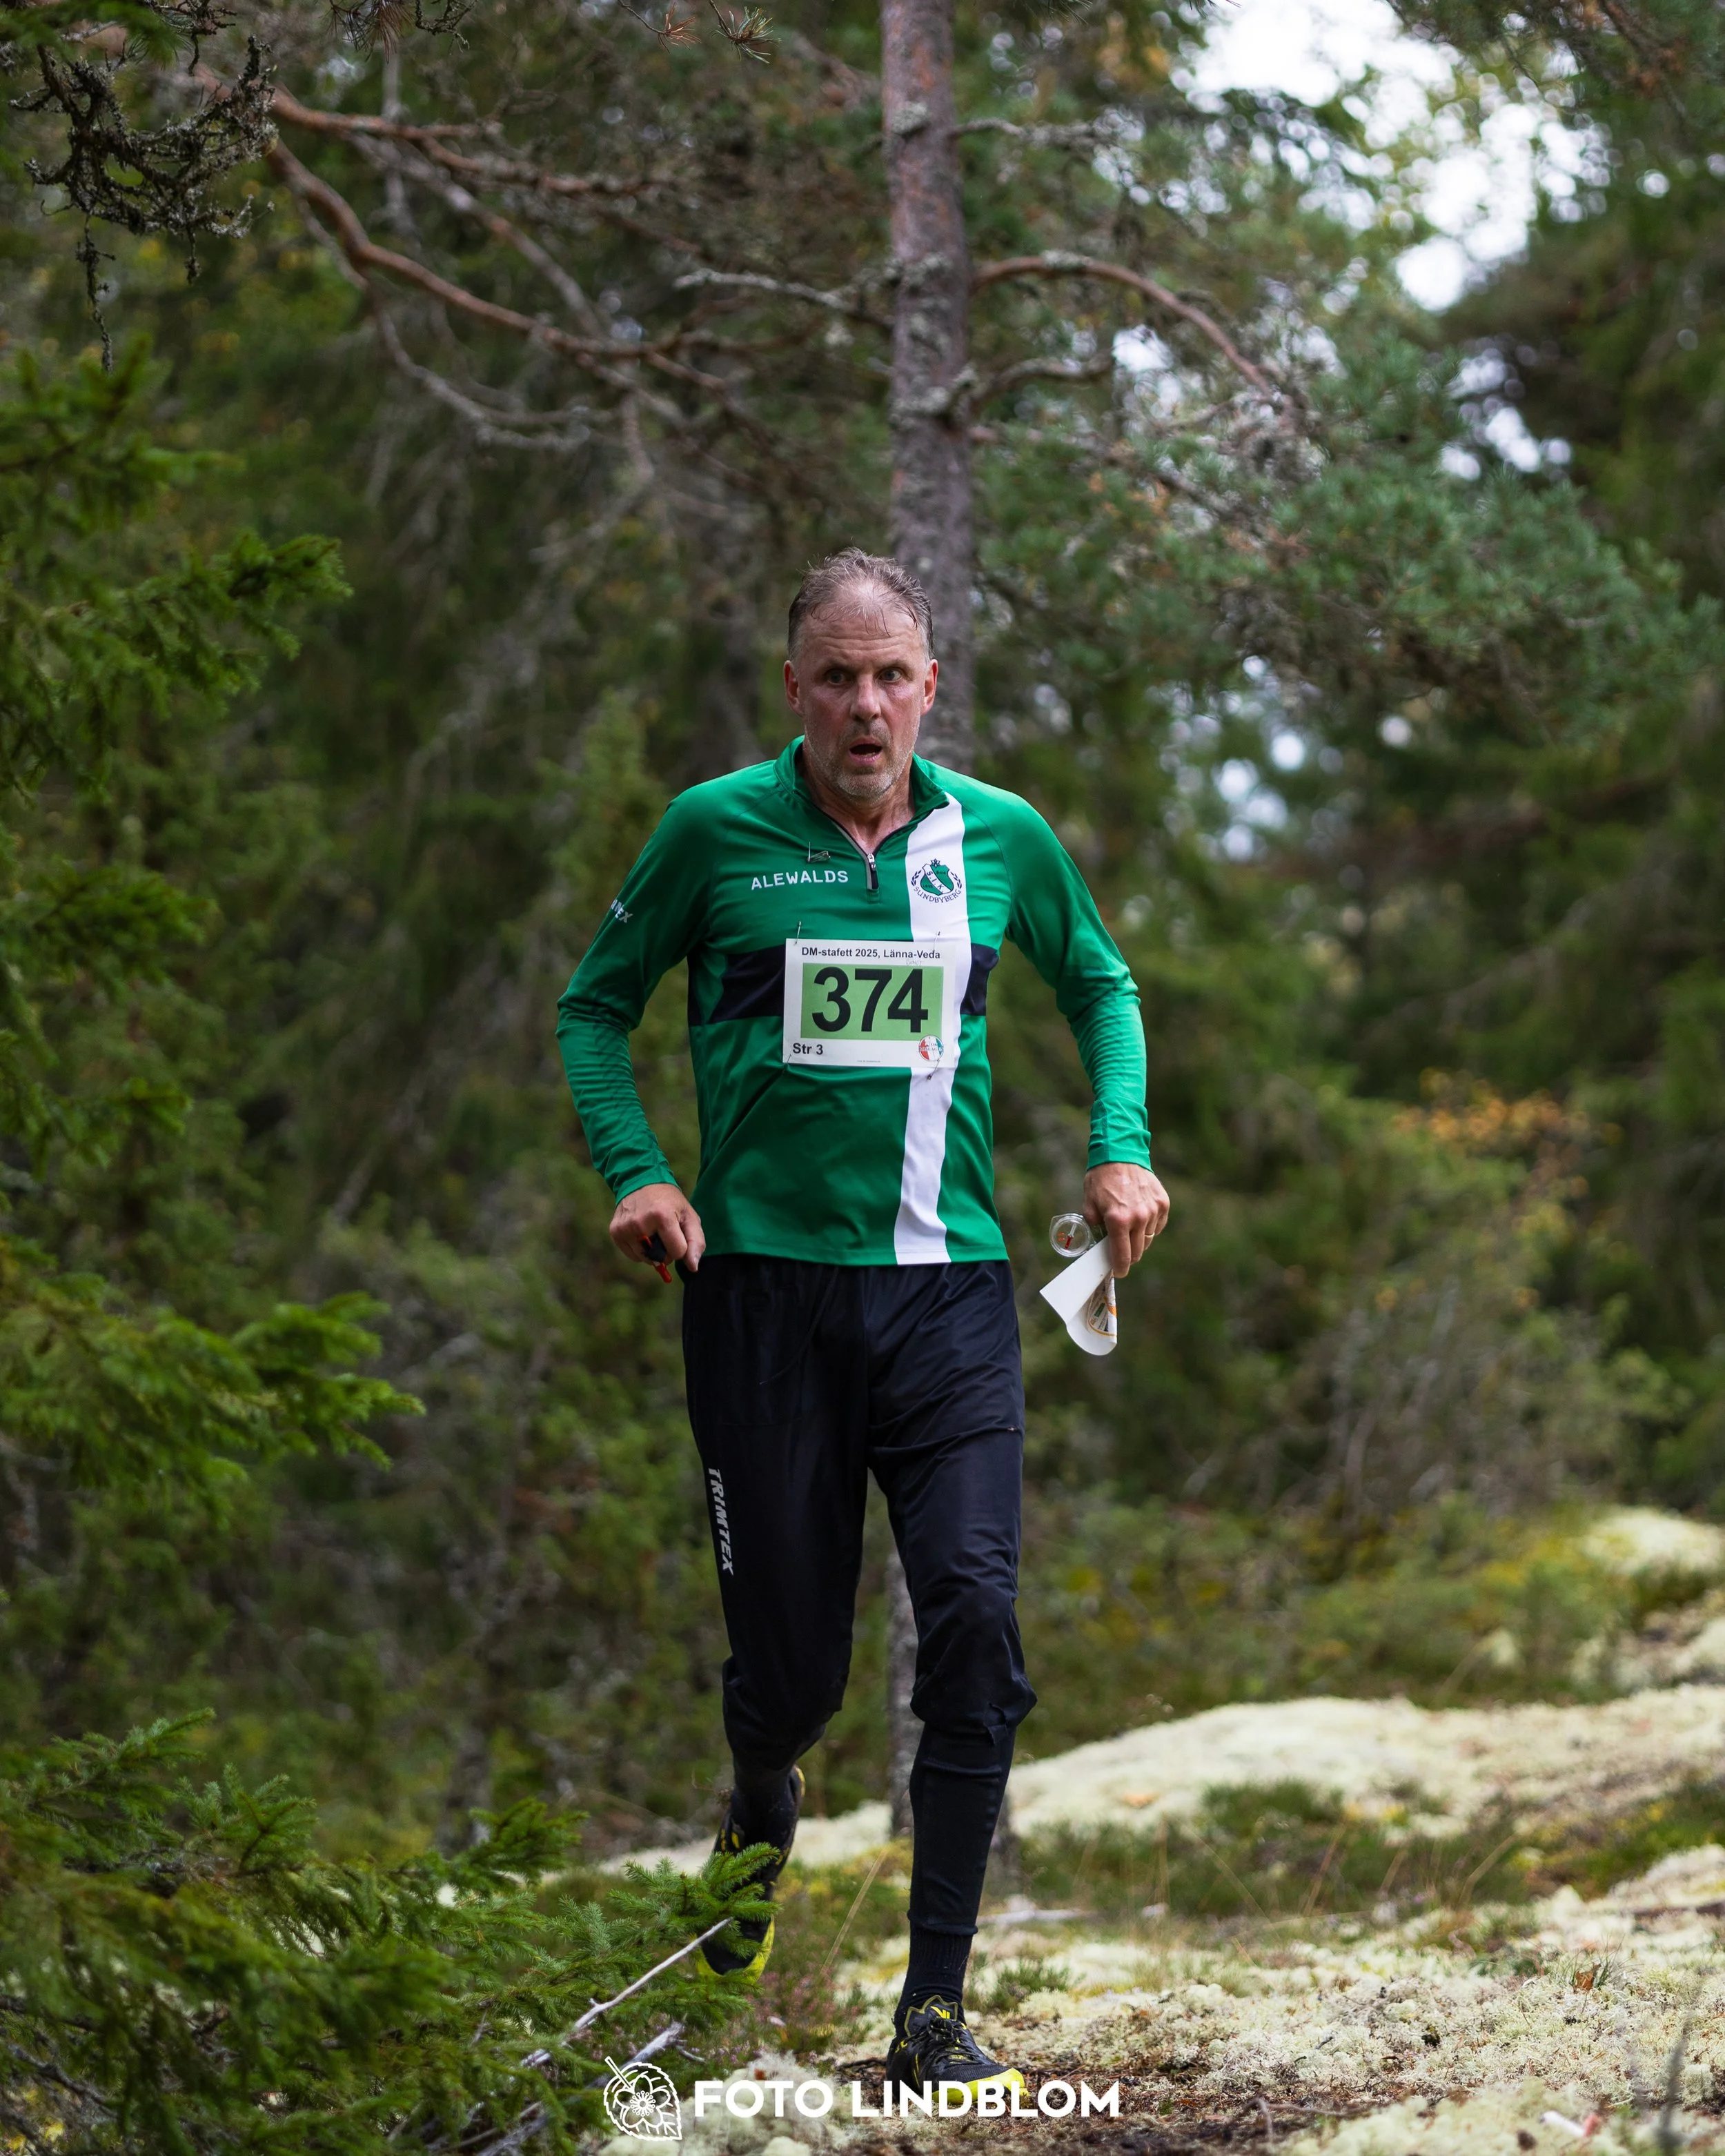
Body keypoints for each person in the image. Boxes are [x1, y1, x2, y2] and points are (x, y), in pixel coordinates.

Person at [557, 548, 1168, 2095]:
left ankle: (930, 2009)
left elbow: (1100, 980)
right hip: (759, 1298)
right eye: (835, 676)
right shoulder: (714, 831)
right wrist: (638, 1173)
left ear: (929, 686)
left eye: (891, 675)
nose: (864, 706)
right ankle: (761, 1788)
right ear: (793, 690)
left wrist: (1118, 1138)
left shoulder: (996, 837)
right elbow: (590, 1006)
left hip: (947, 1296)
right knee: (794, 1675)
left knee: (970, 1618)